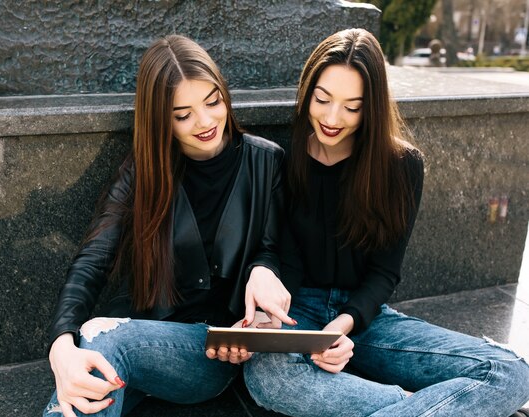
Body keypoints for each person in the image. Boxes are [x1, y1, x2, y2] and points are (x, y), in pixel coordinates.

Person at [244, 28, 529, 417]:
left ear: (372, 107)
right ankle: (423, 408)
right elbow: (277, 254)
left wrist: (342, 326)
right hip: (297, 311)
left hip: (366, 317)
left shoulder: (401, 166)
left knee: (511, 372)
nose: (331, 117)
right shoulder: (282, 156)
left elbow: (384, 273)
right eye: (322, 99)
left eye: (352, 106)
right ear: (308, 91)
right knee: (268, 379)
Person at [42, 34, 294, 417]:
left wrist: (262, 276)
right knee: (89, 364)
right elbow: (94, 259)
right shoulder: (142, 171)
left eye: (213, 102)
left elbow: (272, 249)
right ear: (161, 119)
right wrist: (61, 344)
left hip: (206, 351)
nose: (206, 121)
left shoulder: (266, 162)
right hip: (136, 332)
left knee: (102, 340)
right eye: (183, 114)